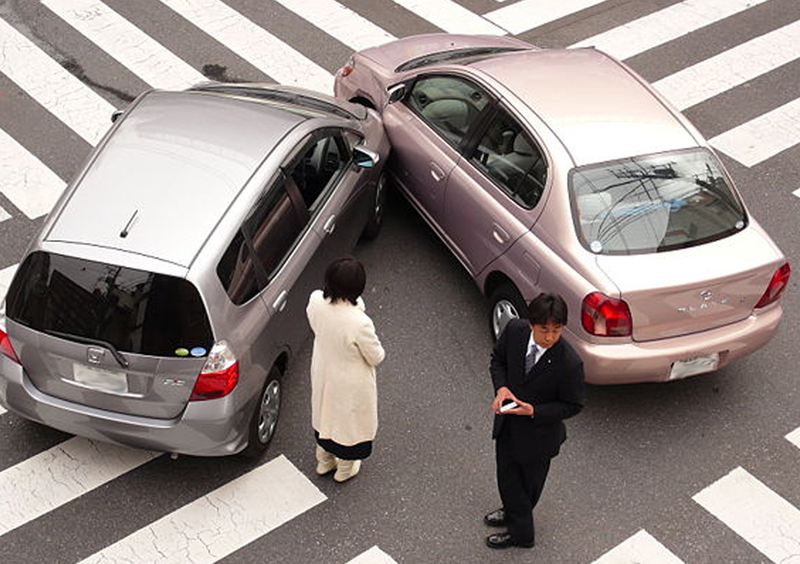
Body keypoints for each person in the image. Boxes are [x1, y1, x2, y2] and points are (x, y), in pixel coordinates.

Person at [484, 292, 585, 549]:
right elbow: (498, 361)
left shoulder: (570, 363)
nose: (550, 337)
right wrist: (502, 388)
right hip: (508, 424)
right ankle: (511, 511)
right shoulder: (515, 331)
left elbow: (573, 405)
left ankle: (522, 535)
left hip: (539, 437)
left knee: (527, 487)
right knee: (506, 476)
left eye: (556, 330)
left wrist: (534, 411)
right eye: (544, 330)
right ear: (531, 324)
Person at [306, 257, 385, 482]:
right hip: (350, 382)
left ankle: (324, 461)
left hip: (323, 369)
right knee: (348, 425)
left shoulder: (315, 301)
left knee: (324, 415)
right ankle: (344, 469)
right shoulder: (359, 322)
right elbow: (376, 356)